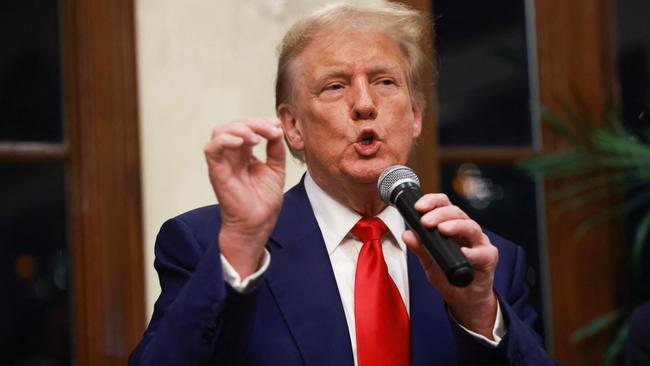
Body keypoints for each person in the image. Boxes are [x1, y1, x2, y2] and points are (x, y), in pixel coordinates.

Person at [129, 3, 556, 365]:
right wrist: (240, 246)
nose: (365, 105)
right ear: (293, 126)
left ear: (415, 116)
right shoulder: (210, 246)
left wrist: (479, 313)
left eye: (385, 82)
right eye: (335, 86)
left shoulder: (482, 264)